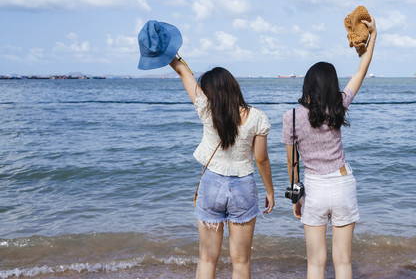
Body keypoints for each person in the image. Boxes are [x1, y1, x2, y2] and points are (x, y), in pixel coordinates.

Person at [137, 20, 274, 279]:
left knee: (207, 259)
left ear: (211, 92)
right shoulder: (258, 117)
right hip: (244, 187)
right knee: (241, 262)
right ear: (234, 86)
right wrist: (270, 190)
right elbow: (261, 159)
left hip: (211, 185)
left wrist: (166, 49)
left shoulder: (205, 108)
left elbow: (182, 71)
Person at [281, 18, 377, 279]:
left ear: (308, 84)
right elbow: (361, 71)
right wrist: (373, 38)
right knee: (343, 262)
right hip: (343, 183)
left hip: (314, 188)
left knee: (315, 263)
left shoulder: (291, 116)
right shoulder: (339, 105)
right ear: (332, 84)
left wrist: (295, 197)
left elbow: (292, 165)